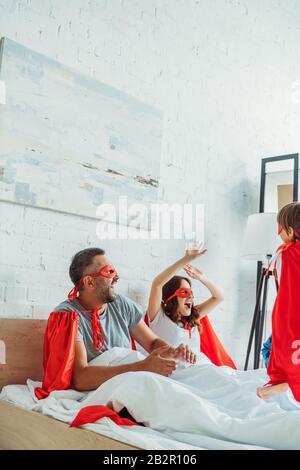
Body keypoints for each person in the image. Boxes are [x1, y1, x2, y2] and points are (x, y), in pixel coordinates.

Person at [35, 247, 202, 399]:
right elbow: (80, 378)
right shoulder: (67, 316)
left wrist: (171, 352)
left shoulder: (121, 304)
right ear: (89, 282)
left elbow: (152, 342)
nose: (117, 277)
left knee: (202, 381)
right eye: (109, 272)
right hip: (108, 387)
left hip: (133, 376)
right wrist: (142, 366)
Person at [145, 242, 236, 368]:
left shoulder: (192, 317)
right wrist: (185, 260)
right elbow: (157, 284)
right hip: (179, 373)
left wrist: (202, 277)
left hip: (202, 368)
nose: (191, 297)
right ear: (171, 297)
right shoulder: (158, 317)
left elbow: (219, 297)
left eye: (191, 293)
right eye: (184, 292)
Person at [257, 202, 300, 401]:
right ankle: (285, 383)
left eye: (280, 229)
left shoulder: (285, 252)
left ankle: (283, 383)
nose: (278, 234)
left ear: (290, 231)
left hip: (291, 318)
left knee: (271, 350)